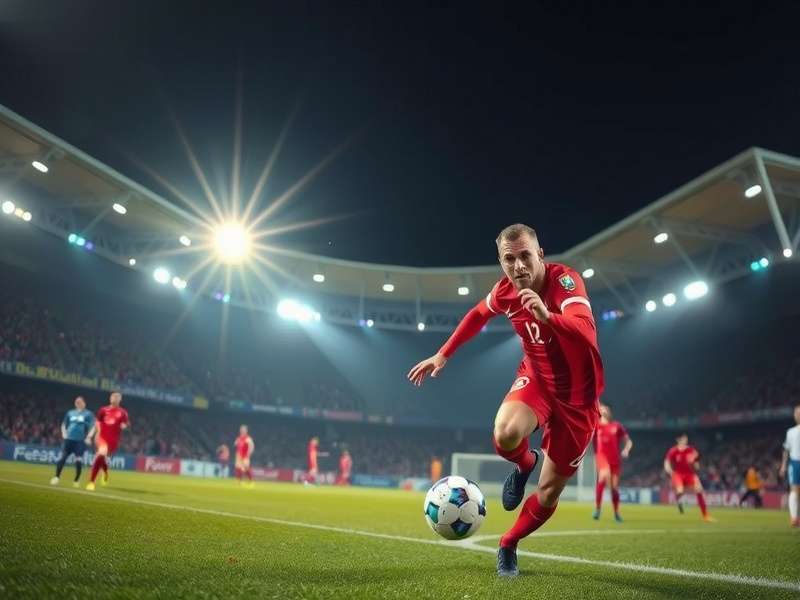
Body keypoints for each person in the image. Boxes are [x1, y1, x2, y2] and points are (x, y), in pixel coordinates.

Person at [408, 223, 604, 577]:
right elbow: (478, 314)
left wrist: (549, 316)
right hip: (539, 382)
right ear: (501, 262)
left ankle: (508, 543)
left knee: (547, 493)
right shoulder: (506, 291)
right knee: (505, 433)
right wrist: (443, 354)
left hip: (578, 401)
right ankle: (525, 462)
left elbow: (586, 330)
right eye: (509, 259)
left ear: (540, 255)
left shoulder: (564, 282)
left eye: (525, 256)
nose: (518, 267)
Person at [592, 403, 632, 522]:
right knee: (604, 475)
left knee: (614, 488)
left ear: (610, 412)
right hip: (601, 456)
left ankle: (616, 513)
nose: (604, 411)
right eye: (601, 409)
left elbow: (628, 441)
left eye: (606, 409)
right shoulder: (596, 426)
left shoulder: (616, 426)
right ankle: (598, 509)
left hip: (615, 460)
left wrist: (626, 449)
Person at [663, 433, 713, 522]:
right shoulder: (673, 451)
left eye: (686, 438)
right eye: (683, 438)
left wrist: (696, 465)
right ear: (678, 440)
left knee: (699, 491)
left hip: (690, 474)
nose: (685, 440)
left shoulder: (691, 450)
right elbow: (667, 462)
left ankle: (705, 516)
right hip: (678, 474)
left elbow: (696, 460)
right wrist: (669, 471)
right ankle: (679, 501)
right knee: (680, 491)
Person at [86, 392, 129, 491]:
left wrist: (124, 426)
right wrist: (91, 435)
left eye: (116, 397)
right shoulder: (103, 410)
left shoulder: (123, 412)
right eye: (112, 396)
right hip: (101, 438)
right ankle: (91, 482)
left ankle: (105, 472)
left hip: (113, 441)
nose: (113, 398)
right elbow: (97, 423)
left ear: (120, 399)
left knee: (102, 458)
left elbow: (125, 424)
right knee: (101, 453)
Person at [50, 396, 95, 487]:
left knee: (78, 461)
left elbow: (93, 426)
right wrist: (64, 434)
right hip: (69, 440)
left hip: (80, 441)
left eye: (79, 401)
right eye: (76, 401)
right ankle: (56, 477)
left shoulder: (88, 414)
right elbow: (64, 424)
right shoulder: (70, 413)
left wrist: (89, 437)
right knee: (63, 458)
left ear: (84, 403)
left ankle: (76, 480)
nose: (77, 403)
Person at [778, 404, 800, 527]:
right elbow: (786, 450)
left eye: (799, 412)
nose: (797, 415)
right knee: (794, 490)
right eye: (796, 413)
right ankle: (794, 518)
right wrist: (783, 465)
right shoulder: (790, 432)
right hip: (795, 463)